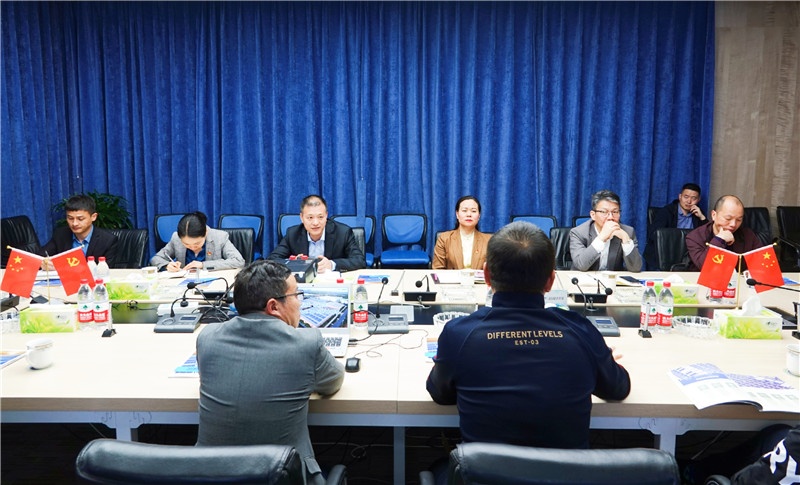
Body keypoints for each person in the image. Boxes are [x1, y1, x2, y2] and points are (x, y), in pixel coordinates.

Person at [426, 221, 631, 449]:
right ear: (551, 281)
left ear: (486, 276)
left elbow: (440, 394)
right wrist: (601, 359)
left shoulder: (458, 335)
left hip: (484, 469)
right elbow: (618, 389)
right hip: (566, 468)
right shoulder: (581, 331)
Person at [195, 260, 345, 485]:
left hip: (211, 477)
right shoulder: (306, 343)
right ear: (274, 306)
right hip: (284, 478)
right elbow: (332, 382)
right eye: (297, 295)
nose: (300, 303)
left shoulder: (207, 338)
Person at [268, 195, 365, 272]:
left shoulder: (343, 232)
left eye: (320, 217)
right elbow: (272, 260)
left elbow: (359, 261)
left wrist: (332, 264)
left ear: (326, 216)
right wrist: (294, 264)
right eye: (310, 217)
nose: (315, 223)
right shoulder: (293, 234)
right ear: (301, 217)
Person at [569, 190, 643, 272]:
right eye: (604, 212)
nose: (610, 217)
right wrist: (601, 238)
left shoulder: (628, 232)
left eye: (615, 212)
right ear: (593, 215)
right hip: (583, 278)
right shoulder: (578, 233)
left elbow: (636, 268)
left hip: (612, 279)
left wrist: (626, 239)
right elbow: (581, 265)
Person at [39, 194, 118, 269]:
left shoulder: (107, 240)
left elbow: (108, 270)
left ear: (93, 217)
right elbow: (39, 258)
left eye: (80, 219)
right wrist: (44, 263)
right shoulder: (60, 234)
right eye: (70, 218)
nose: (74, 223)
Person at [685, 195, 761, 270]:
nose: (733, 224)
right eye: (728, 218)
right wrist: (719, 240)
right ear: (714, 215)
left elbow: (761, 261)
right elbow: (704, 267)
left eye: (739, 220)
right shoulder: (695, 237)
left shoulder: (748, 235)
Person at [150, 211, 244, 271]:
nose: (192, 247)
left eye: (197, 243)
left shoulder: (220, 237)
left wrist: (203, 265)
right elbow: (156, 259)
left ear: (205, 232)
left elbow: (238, 261)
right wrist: (167, 265)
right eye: (186, 244)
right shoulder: (176, 238)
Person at [644, 183, 706, 269]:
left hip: (688, 257)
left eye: (693, 198)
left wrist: (702, 217)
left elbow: (707, 238)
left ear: (698, 200)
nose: (689, 201)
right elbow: (653, 234)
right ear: (680, 197)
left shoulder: (698, 214)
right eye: (686, 197)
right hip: (667, 254)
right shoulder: (666, 212)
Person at [432, 195, 491, 270]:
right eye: (464, 210)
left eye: (473, 211)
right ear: (457, 214)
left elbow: (494, 271)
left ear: (479, 215)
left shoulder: (489, 240)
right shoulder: (444, 239)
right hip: (451, 278)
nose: (469, 214)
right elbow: (437, 270)